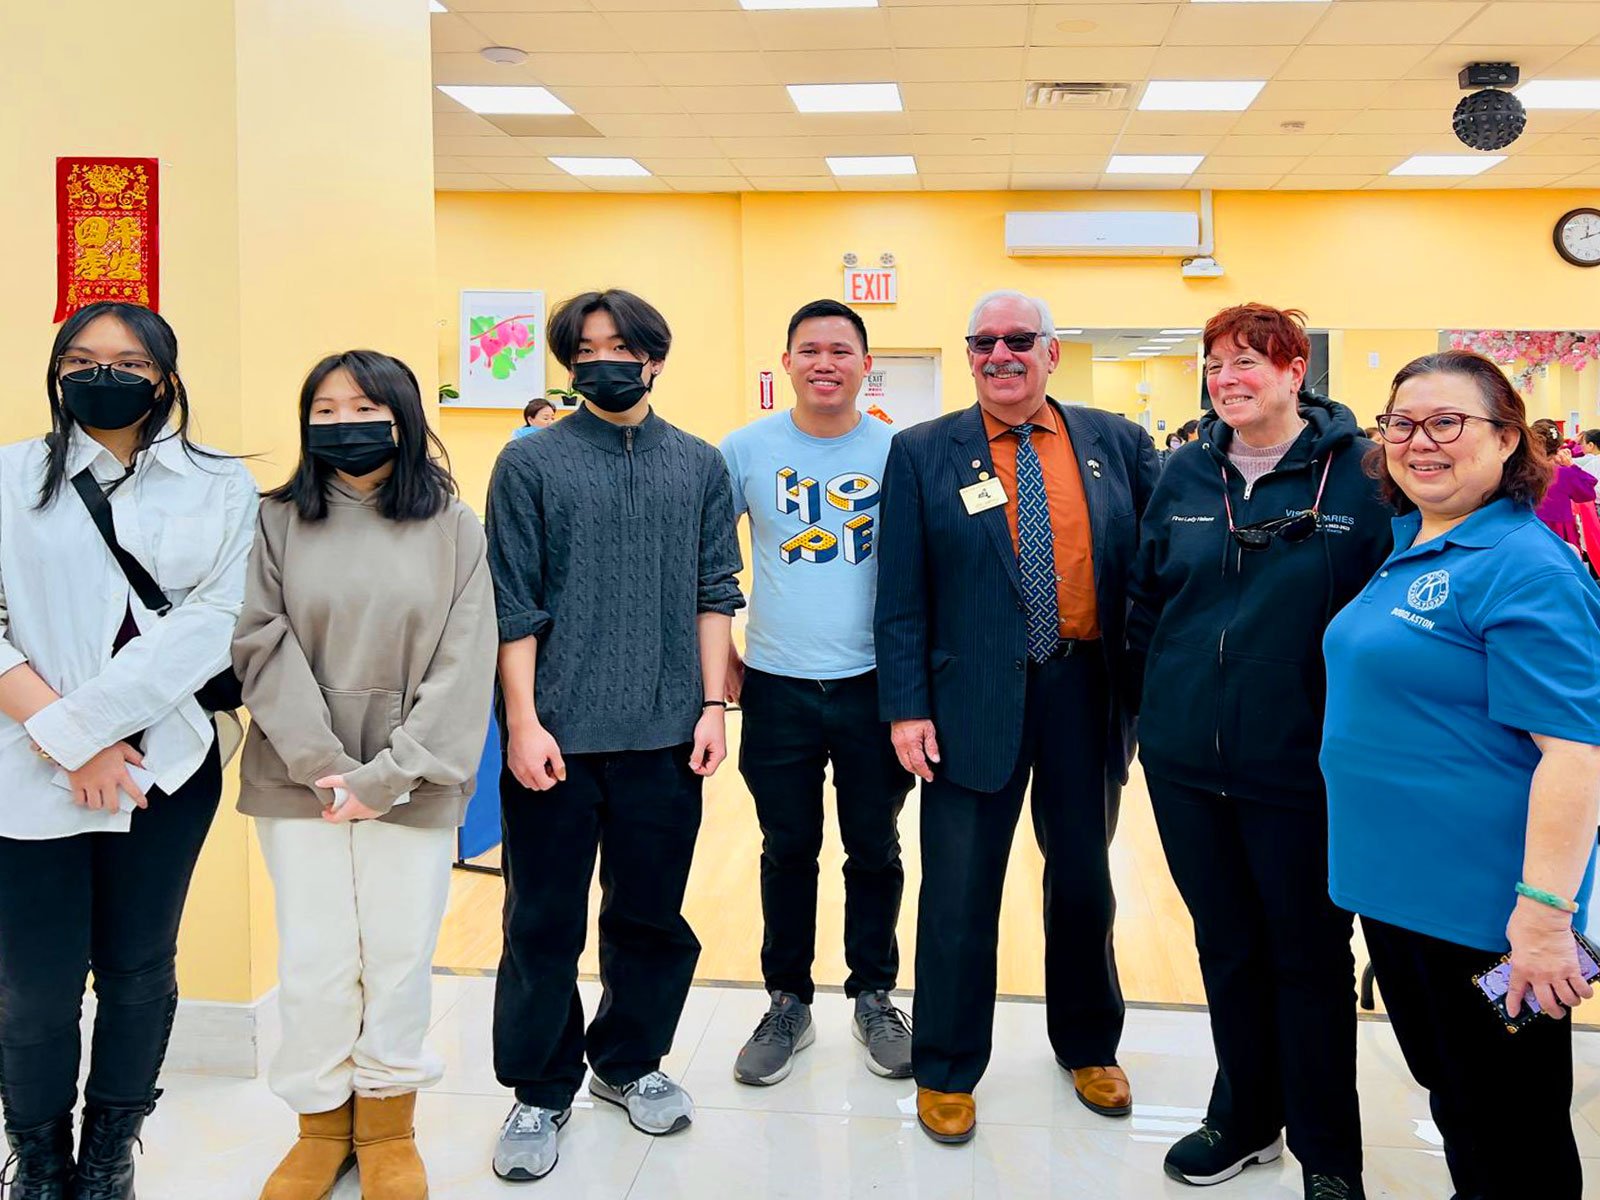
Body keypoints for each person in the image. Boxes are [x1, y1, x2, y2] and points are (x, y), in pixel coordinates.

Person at [875, 289, 1156, 1145]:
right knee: (959, 892)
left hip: (1086, 692)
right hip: (968, 700)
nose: (1000, 355)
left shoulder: (1116, 442)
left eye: (1019, 340)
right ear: (970, 355)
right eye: (983, 342)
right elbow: (900, 593)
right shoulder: (922, 451)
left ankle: (1090, 1045)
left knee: (1084, 881)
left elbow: (1153, 572)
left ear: (1051, 352)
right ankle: (946, 1065)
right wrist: (906, 708)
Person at [1127, 304, 1392, 1199]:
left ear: (1292, 372)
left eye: (1248, 361)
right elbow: (1146, 600)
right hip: (1185, 763)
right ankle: (1244, 1120)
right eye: (1214, 364)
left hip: (1303, 766)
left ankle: (1330, 1155)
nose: (1227, 379)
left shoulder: (1365, 476)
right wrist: (1154, 709)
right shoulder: (1183, 472)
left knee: (1308, 958)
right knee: (1227, 947)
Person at [1323, 351, 1600, 1200]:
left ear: (1508, 438)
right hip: (1402, 896)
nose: (1420, 441)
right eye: (1402, 423)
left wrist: (1545, 922)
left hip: (1488, 915)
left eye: (1447, 422)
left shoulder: (1524, 563)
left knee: (1513, 1127)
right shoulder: (1417, 539)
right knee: (1463, 1102)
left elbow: (1577, 753)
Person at [0, 302, 257, 1199]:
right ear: (56, 371)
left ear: (165, 378)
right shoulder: (9, 475)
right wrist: (67, 740)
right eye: (80, 359)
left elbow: (218, 620)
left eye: (127, 362)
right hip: (26, 763)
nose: (101, 375)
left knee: (138, 968)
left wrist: (91, 733)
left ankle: (110, 1156)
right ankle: (39, 1162)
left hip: (167, 763)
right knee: (33, 982)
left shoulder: (220, 484)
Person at [485, 289, 743, 1182]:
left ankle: (630, 1062)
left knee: (650, 917)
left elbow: (716, 590)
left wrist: (710, 708)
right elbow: (511, 603)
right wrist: (523, 722)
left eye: (620, 348)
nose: (604, 362)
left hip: (667, 737)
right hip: (553, 740)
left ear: (654, 360)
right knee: (541, 922)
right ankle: (539, 1088)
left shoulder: (700, 464)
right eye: (586, 351)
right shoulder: (530, 463)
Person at [233, 350, 497, 1200]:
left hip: (413, 780)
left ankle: (386, 1124)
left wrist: (389, 775)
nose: (343, 422)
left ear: (402, 416)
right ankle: (319, 1125)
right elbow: (258, 641)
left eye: (363, 407)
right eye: (325, 409)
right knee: (313, 956)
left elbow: (466, 661)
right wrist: (325, 768)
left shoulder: (454, 526)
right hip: (298, 779)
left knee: (398, 953)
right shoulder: (275, 520)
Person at [720, 300, 913, 1087]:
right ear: (787, 364)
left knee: (875, 848)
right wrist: (719, 660)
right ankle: (787, 1002)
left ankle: (874, 995)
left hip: (874, 686)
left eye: (840, 350)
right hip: (776, 685)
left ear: (867, 365)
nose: (824, 363)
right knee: (787, 848)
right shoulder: (744, 449)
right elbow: (703, 561)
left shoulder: (901, 451)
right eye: (809, 350)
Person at [1530, 418, 1596, 549]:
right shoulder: (1564, 473)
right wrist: (1571, 465)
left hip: (1530, 527)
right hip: (1559, 529)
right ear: (1557, 448)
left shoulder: (1523, 471)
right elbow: (1588, 493)